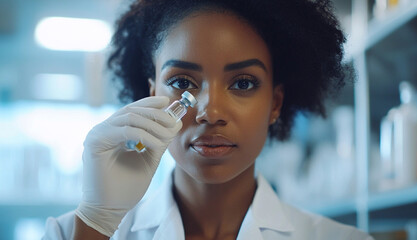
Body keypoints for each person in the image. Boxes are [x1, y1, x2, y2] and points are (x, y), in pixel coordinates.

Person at [43, 0, 373, 239]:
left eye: (243, 83)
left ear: (275, 104)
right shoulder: (70, 233)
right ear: (150, 96)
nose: (210, 112)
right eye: (183, 83)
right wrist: (97, 223)